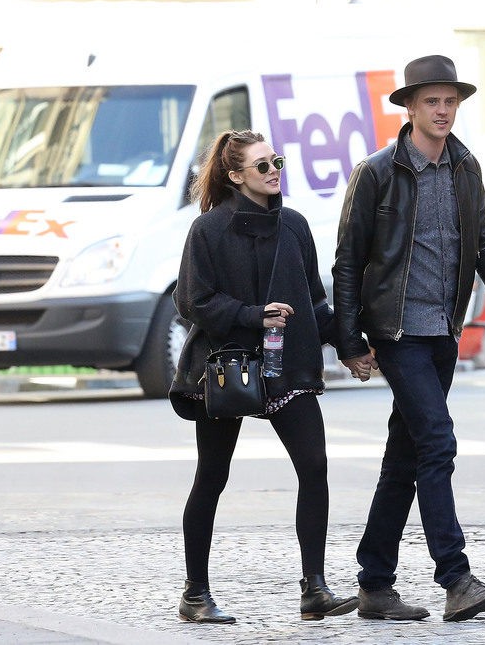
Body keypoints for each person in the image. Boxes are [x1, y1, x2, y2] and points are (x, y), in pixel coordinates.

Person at [333, 54, 485, 622]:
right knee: (438, 441)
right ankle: (456, 577)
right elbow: (348, 261)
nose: (443, 110)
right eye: (432, 101)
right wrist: (350, 339)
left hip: (444, 331)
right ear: (410, 106)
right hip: (396, 330)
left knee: (406, 457)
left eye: (450, 101)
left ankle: (375, 583)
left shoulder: (465, 169)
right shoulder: (378, 171)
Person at [168, 129, 357, 624]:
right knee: (212, 475)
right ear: (235, 176)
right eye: (262, 165)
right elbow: (192, 302)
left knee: (314, 467)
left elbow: (315, 301)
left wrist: (352, 346)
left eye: (277, 161)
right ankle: (195, 593)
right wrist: (254, 315)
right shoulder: (207, 230)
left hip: (286, 368)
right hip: (227, 366)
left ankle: (314, 588)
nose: (274, 170)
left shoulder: (293, 226)